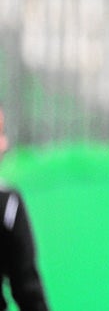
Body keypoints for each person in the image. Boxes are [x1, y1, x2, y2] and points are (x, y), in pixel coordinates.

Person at [0, 107, 51, 311]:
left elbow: (27, 289)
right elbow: (27, 287)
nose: (5, 144)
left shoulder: (8, 205)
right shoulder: (6, 205)